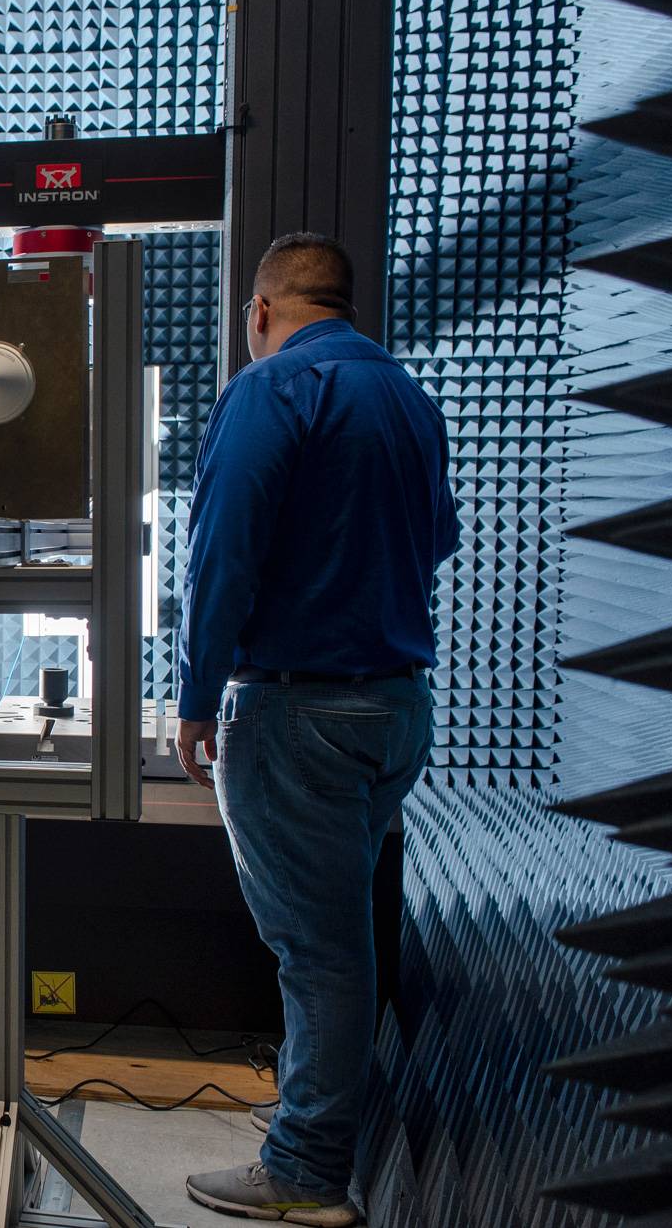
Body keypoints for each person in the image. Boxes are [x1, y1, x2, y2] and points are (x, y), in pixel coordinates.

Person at [175, 234, 460, 1225]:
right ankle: (316, 1119)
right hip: (397, 708)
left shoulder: (272, 390)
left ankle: (304, 1169)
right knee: (340, 936)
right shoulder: (409, 399)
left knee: (319, 951)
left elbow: (224, 553)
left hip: (298, 708)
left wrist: (195, 692)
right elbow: (442, 538)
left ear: (261, 314)